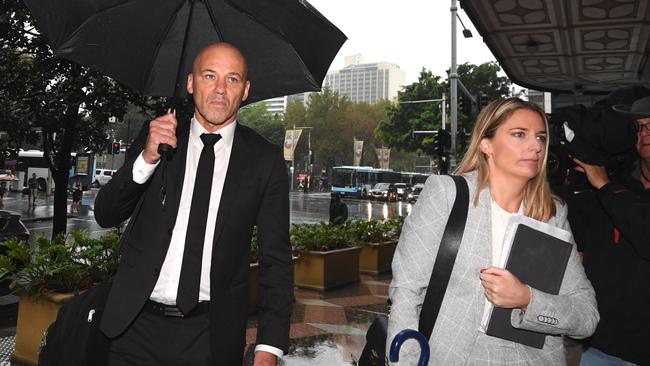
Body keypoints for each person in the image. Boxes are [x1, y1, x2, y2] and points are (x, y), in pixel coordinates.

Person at [94, 43, 293, 366]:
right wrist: (147, 158)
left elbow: (277, 261)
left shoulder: (264, 161)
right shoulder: (158, 138)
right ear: (190, 83)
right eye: (209, 76)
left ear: (245, 90)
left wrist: (268, 347)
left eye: (232, 79)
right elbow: (105, 214)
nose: (219, 90)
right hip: (133, 330)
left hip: (210, 339)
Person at [386, 98, 598, 364]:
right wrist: (405, 361)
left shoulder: (552, 214)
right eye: (519, 134)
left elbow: (586, 315)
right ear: (486, 144)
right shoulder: (448, 194)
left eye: (541, 137)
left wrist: (527, 299)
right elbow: (406, 291)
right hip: (451, 356)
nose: (536, 147)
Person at [571, 95, 650, 366]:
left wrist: (604, 186)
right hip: (601, 347)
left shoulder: (609, 189)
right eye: (638, 127)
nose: (645, 133)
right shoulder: (615, 186)